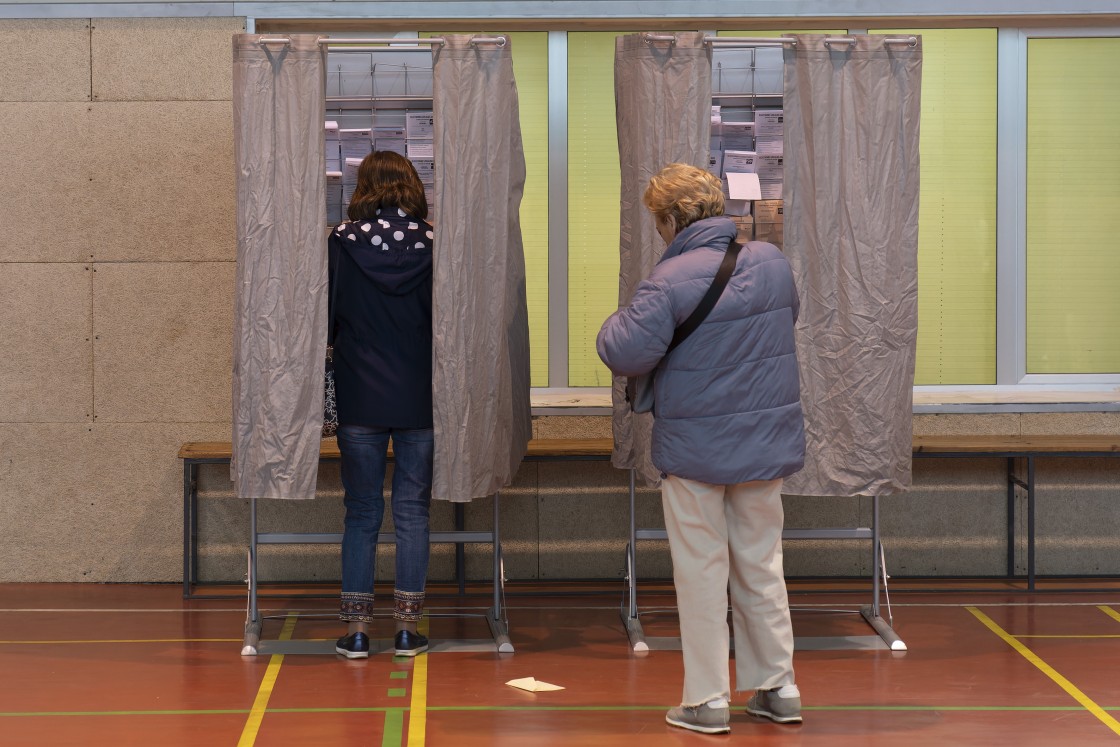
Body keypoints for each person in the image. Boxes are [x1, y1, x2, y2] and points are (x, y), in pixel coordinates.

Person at [597, 163, 806, 735]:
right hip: (764, 445)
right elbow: (789, 319)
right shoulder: (771, 262)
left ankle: (708, 700)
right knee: (763, 563)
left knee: (701, 570)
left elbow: (622, 351)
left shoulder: (667, 281)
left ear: (669, 218)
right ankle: (778, 688)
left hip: (696, 449)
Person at [328, 151, 435, 660]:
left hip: (359, 394)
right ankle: (408, 630)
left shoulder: (342, 244)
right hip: (420, 394)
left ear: (363, 187)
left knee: (363, 510)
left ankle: (355, 631)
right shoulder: (435, 244)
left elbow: (327, 317)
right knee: (412, 511)